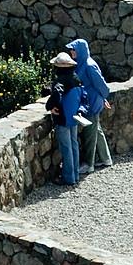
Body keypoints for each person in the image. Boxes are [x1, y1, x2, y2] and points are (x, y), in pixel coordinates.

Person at [67, 38, 114, 173]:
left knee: (89, 133)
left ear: (80, 51)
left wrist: (103, 97)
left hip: (92, 104)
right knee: (96, 130)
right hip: (89, 102)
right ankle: (106, 158)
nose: (71, 52)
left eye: (73, 50)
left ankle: (89, 164)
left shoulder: (88, 65)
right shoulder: (81, 63)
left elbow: (102, 85)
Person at [46, 51, 85, 186]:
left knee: (66, 147)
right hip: (74, 116)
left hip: (63, 118)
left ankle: (68, 178)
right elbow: (82, 96)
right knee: (74, 145)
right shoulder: (76, 78)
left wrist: (50, 106)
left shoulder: (61, 80)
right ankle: (75, 175)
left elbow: (57, 93)